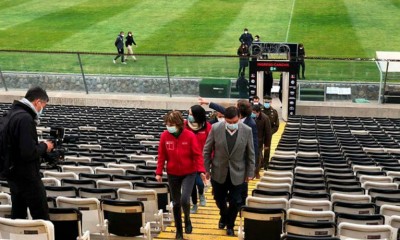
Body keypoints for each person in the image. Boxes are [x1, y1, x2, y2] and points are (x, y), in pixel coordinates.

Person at [203, 106, 255, 236]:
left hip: (238, 172)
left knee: (235, 200)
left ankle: (230, 225)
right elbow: (207, 150)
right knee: (219, 198)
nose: (231, 124)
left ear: (239, 118)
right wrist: (206, 169)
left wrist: (250, 172)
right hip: (218, 171)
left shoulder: (247, 130)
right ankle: (224, 215)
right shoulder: (215, 128)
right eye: (229, 122)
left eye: (234, 122)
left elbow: (251, 154)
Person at [5, 86, 54, 220]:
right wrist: (45, 146)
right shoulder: (25, 119)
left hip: (13, 174)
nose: (42, 109)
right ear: (38, 102)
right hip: (27, 176)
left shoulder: (11, 114)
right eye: (43, 105)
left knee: (18, 215)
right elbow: (28, 153)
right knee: (41, 218)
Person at [156, 111, 205, 240]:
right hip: (173, 173)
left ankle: (187, 219)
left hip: (189, 172)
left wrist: (201, 170)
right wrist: (159, 172)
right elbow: (162, 155)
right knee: (176, 203)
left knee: (184, 199)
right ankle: (179, 231)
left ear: (178, 124)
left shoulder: (189, 136)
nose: (169, 126)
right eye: (167, 124)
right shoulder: (164, 136)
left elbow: (197, 154)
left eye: (171, 124)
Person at [184, 105, 211, 214]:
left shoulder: (207, 127)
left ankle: (201, 193)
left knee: (200, 182)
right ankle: (194, 204)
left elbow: (211, 143)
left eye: (191, 114)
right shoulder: (185, 125)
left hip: (202, 159)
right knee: (191, 184)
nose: (189, 116)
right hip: (189, 159)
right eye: (189, 114)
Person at [252, 104, 272, 177]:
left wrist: (267, 144)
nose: (252, 114)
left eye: (254, 112)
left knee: (257, 157)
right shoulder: (250, 117)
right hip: (250, 140)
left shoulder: (265, 118)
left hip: (259, 141)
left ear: (258, 112)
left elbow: (268, 133)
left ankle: (256, 172)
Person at [262, 96, 280, 168]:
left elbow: (276, 125)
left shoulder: (274, 112)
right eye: (265, 102)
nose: (267, 103)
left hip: (269, 134)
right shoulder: (259, 111)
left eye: (268, 102)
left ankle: (266, 163)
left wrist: (270, 132)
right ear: (263, 102)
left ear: (271, 102)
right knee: (259, 149)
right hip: (260, 133)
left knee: (267, 148)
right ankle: (260, 163)